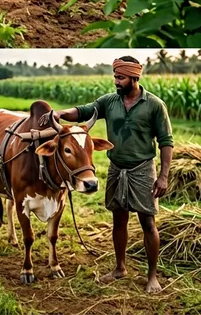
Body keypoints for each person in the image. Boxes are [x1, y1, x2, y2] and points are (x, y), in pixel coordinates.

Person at [41, 56, 173, 294]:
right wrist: (60, 113)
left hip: (143, 169)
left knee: (147, 222)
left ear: (134, 77)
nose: (116, 81)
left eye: (120, 77)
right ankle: (119, 268)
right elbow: (84, 111)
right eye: (114, 76)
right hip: (116, 168)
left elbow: (166, 142)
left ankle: (152, 276)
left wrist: (163, 177)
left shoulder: (154, 105)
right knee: (118, 219)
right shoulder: (109, 102)